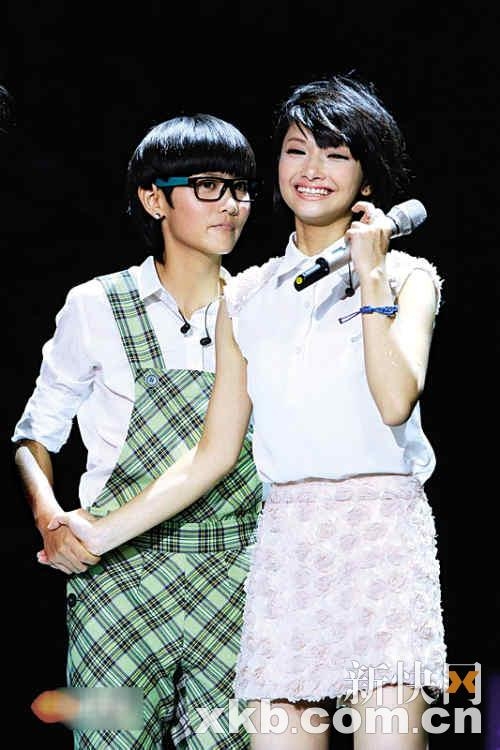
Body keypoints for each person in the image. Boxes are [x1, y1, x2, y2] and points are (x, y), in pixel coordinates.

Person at [41, 74, 447, 749]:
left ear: (368, 179)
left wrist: (372, 273)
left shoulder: (408, 278)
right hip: (286, 539)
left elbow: (394, 399)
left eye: (337, 154)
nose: (312, 169)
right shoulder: (249, 297)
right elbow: (212, 454)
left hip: (379, 534)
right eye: (297, 150)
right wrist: (95, 536)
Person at [11, 113, 264, 749]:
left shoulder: (263, 307)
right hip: (116, 578)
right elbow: (36, 432)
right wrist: (48, 516)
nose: (230, 204)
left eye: (240, 188)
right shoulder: (95, 304)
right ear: (155, 199)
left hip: (238, 577)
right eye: (208, 186)